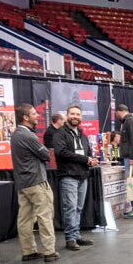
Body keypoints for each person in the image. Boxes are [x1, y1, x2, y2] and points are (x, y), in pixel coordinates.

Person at [10, 103, 59, 263]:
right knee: (45, 215)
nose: (37, 115)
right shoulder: (28, 136)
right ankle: (49, 251)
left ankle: (28, 250)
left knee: (24, 218)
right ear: (25, 117)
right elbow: (45, 154)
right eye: (33, 113)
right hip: (36, 181)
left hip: (22, 182)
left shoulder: (16, 134)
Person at [53, 104, 99, 251]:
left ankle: (76, 235)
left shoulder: (82, 135)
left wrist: (91, 159)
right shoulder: (60, 134)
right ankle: (70, 238)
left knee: (78, 208)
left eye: (78, 114)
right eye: (72, 114)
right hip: (68, 176)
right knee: (70, 208)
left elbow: (87, 152)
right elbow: (61, 152)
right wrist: (84, 159)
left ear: (81, 117)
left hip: (82, 176)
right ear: (67, 116)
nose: (75, 116)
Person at [115, 104, 133, 218]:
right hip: (131, 156)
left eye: (117, 113)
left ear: (120, 111)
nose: (117, 116)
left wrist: (132, 157)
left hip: (132, 157)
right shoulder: (129, 121)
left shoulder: (130, 121)